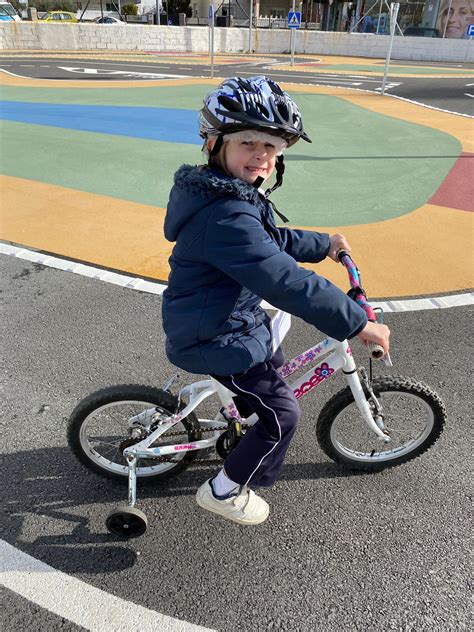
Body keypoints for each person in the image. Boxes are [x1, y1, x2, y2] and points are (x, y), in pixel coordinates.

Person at [162, 76, 390, 526]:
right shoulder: (225, 216)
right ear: (214, 143)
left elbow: (272, 239)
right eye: (248, 142)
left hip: (227, 317)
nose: (262, 155)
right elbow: (281, 279)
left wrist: (322, 244)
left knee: (273, 352)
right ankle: (223, 491)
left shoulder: (228, 194)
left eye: (272, 146)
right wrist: (357, 322)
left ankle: (246, 416)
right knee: (283, 415)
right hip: (215, 334)